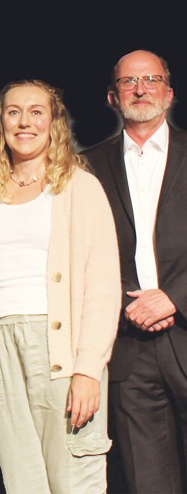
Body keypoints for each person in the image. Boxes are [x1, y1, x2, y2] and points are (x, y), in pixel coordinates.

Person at [0, 79, 120, 493]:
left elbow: (103, 284)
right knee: (23, 482)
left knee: (74, 478)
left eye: (36, 111)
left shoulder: (78, 187)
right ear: (0, 123)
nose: (24, 122)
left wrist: (88, 369)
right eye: (13, 111)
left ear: (54, 122)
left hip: (59, 348)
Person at [83, 49, 187, 493]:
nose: (140, 89)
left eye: (150, 79)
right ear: (112, 96)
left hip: (184, 324)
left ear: (169, 92)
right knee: (149, 483)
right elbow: (80, 249)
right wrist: (130, 298)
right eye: (129, 82)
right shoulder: (86, 166)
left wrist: (175, 296)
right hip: (128, 344)